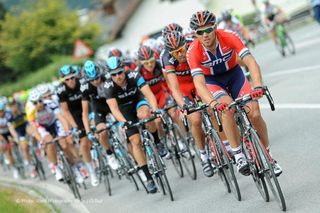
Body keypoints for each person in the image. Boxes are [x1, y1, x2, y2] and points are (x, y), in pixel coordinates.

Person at [187, 10, 282, 176]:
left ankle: (269, 157)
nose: (205, 35)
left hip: (234, 75)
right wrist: (213, 103)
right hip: (213, 82)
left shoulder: (229, 36)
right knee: (227, 110)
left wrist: (258, 86)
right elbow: (199, 84)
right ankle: (238, 154)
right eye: (200, 32)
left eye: (208, 30)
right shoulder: (193, 51)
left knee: (254, 113)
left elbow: (250, 62)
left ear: (215, 28)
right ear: (195, 34)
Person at [161, 30, 225, 177]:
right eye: (176, 53)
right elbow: (174, 87)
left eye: (182, 50)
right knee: (195, 120)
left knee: (212, 109)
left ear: (186, 45)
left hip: (199, 83)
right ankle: (203, 155)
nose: (181, 54)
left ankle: (224, 145)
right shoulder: (167, 58)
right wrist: (183, 105)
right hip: (184, 90)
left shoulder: (194, 45)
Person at [99, 56, 161, 193]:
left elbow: (149, 94)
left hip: (138, 102)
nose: (118, 76)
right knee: (135, 141)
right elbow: (113, 109)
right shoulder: (108, 86)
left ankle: (157, 140)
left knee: (146, 115)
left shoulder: (133, 75)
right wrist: (124, 122)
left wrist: (155, 110)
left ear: (124, 69)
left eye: (120, 72)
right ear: (110, 75)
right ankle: (149, 178)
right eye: (113, 74)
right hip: (124, 110)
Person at [56, 65, 99, 186]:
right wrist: (75, 127)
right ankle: (92, 172)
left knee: (99, 130)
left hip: (89, 108)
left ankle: (106, 154)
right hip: (75, 114)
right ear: (63, 80)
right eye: (67, 79)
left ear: (76, 76)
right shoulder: (61, 90)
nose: (70, 81)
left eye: (72, 77)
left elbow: (92, 98)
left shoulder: (83, 82)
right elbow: (65, 111)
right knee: (84, 142)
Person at [81, 60, 120, 170]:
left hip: (112, 103)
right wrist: (88, 131)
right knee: (102, 132)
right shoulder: (85, 87)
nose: (96, 81)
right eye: (92, 80)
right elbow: (84, 112)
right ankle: (109, 154)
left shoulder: (107, 77)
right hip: (99, 107)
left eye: (97, 78)